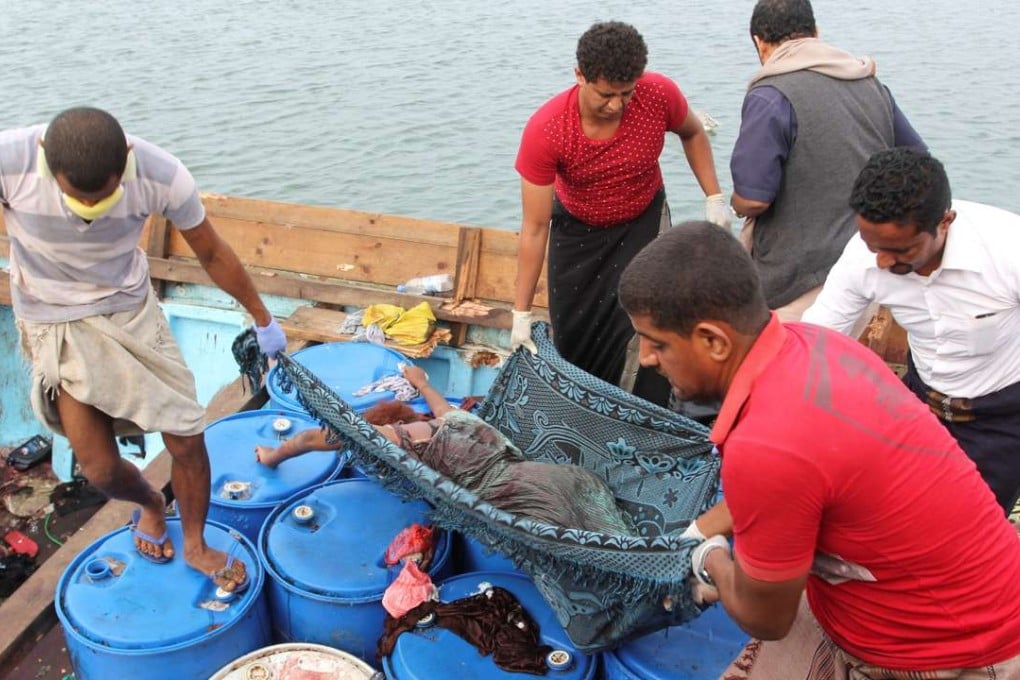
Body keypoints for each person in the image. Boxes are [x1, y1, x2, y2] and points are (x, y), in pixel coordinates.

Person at [618, 221, 1020, 677]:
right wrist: (695, 531)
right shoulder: (817, 345)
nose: (647, 358)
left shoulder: (765, 446)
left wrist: (706, 558)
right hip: (975, 578)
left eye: (657, 343)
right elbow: (800, 479)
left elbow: (766, 618)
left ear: (713, 341)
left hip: (953, 648)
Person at [0, 107, 288, 592]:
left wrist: (263, 317)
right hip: (56, 324)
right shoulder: (10, 161)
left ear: (128, 158)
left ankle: (195, 543)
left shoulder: (163, 175)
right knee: (98, 466)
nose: (87, 213)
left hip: (131, 316)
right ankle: (152, 502)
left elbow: (212, 253)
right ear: (47, 160)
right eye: (77, 198)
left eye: (104, 198)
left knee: (187, 439)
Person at [511, 20, 730, 408]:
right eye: (606, 94)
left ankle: (647, 414)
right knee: (574, 337)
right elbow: (534, 227)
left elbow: (693, 132)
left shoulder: (658, 95)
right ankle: (587, 415)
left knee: (653, 319)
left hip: (643, 223)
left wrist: (714, 197)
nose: (617, 105)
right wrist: (521, 312)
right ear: (580, 76)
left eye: (626, 93)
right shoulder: (547, 130)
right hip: (577, 235)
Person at [802, 148, 1020, 514]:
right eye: (875, 247)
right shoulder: (863, 256)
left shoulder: (1007, 249)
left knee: (970, 527)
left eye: (900, 250)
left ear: (945, 222)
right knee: (887, 511)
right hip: (920, 404)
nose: (883, 262)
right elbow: (815, 340)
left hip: (1000, 418)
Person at [256, 365, 635, 535]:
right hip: (558, 476)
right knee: (611, 533)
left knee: (591, 546)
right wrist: (420, 381)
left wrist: (272, 456)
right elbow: (437, 402)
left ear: (395, 426)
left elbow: (310, 439)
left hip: (523, 496)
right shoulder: (453, 419)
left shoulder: (406, 440)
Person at [731, 0, 926, 321]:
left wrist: (733, 204)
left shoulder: (769, 96)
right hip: (870, 262)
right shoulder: (869, 82)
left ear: (759, 42)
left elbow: (753, 199)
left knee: (788, 365)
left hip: (798, 281)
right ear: (816, 33)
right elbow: (918, 164)